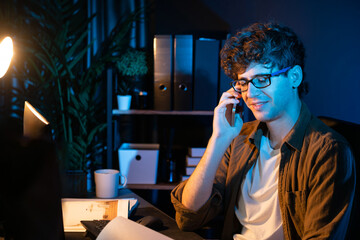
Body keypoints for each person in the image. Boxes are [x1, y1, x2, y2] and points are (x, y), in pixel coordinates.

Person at [171, 22, 356, 240]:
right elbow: (189, 217)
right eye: (243, 82)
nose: (250, 93)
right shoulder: (239, 138)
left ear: (294, 77)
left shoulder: (328, 151)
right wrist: (218, 139)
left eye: (261, 80)